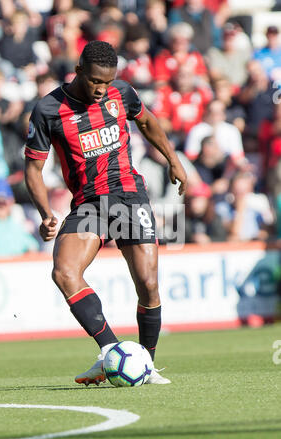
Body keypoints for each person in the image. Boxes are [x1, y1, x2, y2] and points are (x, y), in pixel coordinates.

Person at [24, 40, 187, 385]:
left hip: (129, 195)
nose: (101, 89)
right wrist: (45, 213)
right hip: (89, 204)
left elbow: (148, 123)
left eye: (107, 82)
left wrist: (174, 160)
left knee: (148, 284)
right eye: (96, 81)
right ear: (79, 70)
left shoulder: (122, 93)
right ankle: (110, 351)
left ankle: (147, 363)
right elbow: (33, 169)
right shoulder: (49, 109)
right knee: (65, 273)